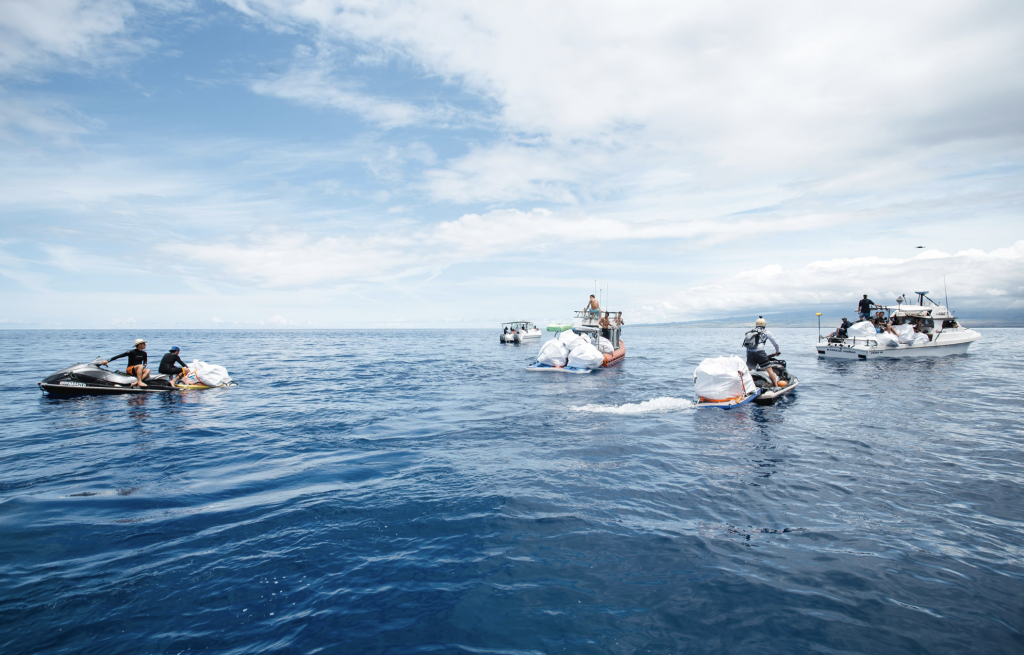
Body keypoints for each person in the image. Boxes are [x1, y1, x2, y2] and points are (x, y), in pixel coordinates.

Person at [744, 317, 780, 386]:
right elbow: (775, 343)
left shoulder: (751, 331)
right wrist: (777, 351)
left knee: (748, 369)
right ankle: (776, 385)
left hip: (749, 352)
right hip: (759, 352)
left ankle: (744, 385)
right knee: (769, 368)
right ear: (764, 324)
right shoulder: (766, 332)